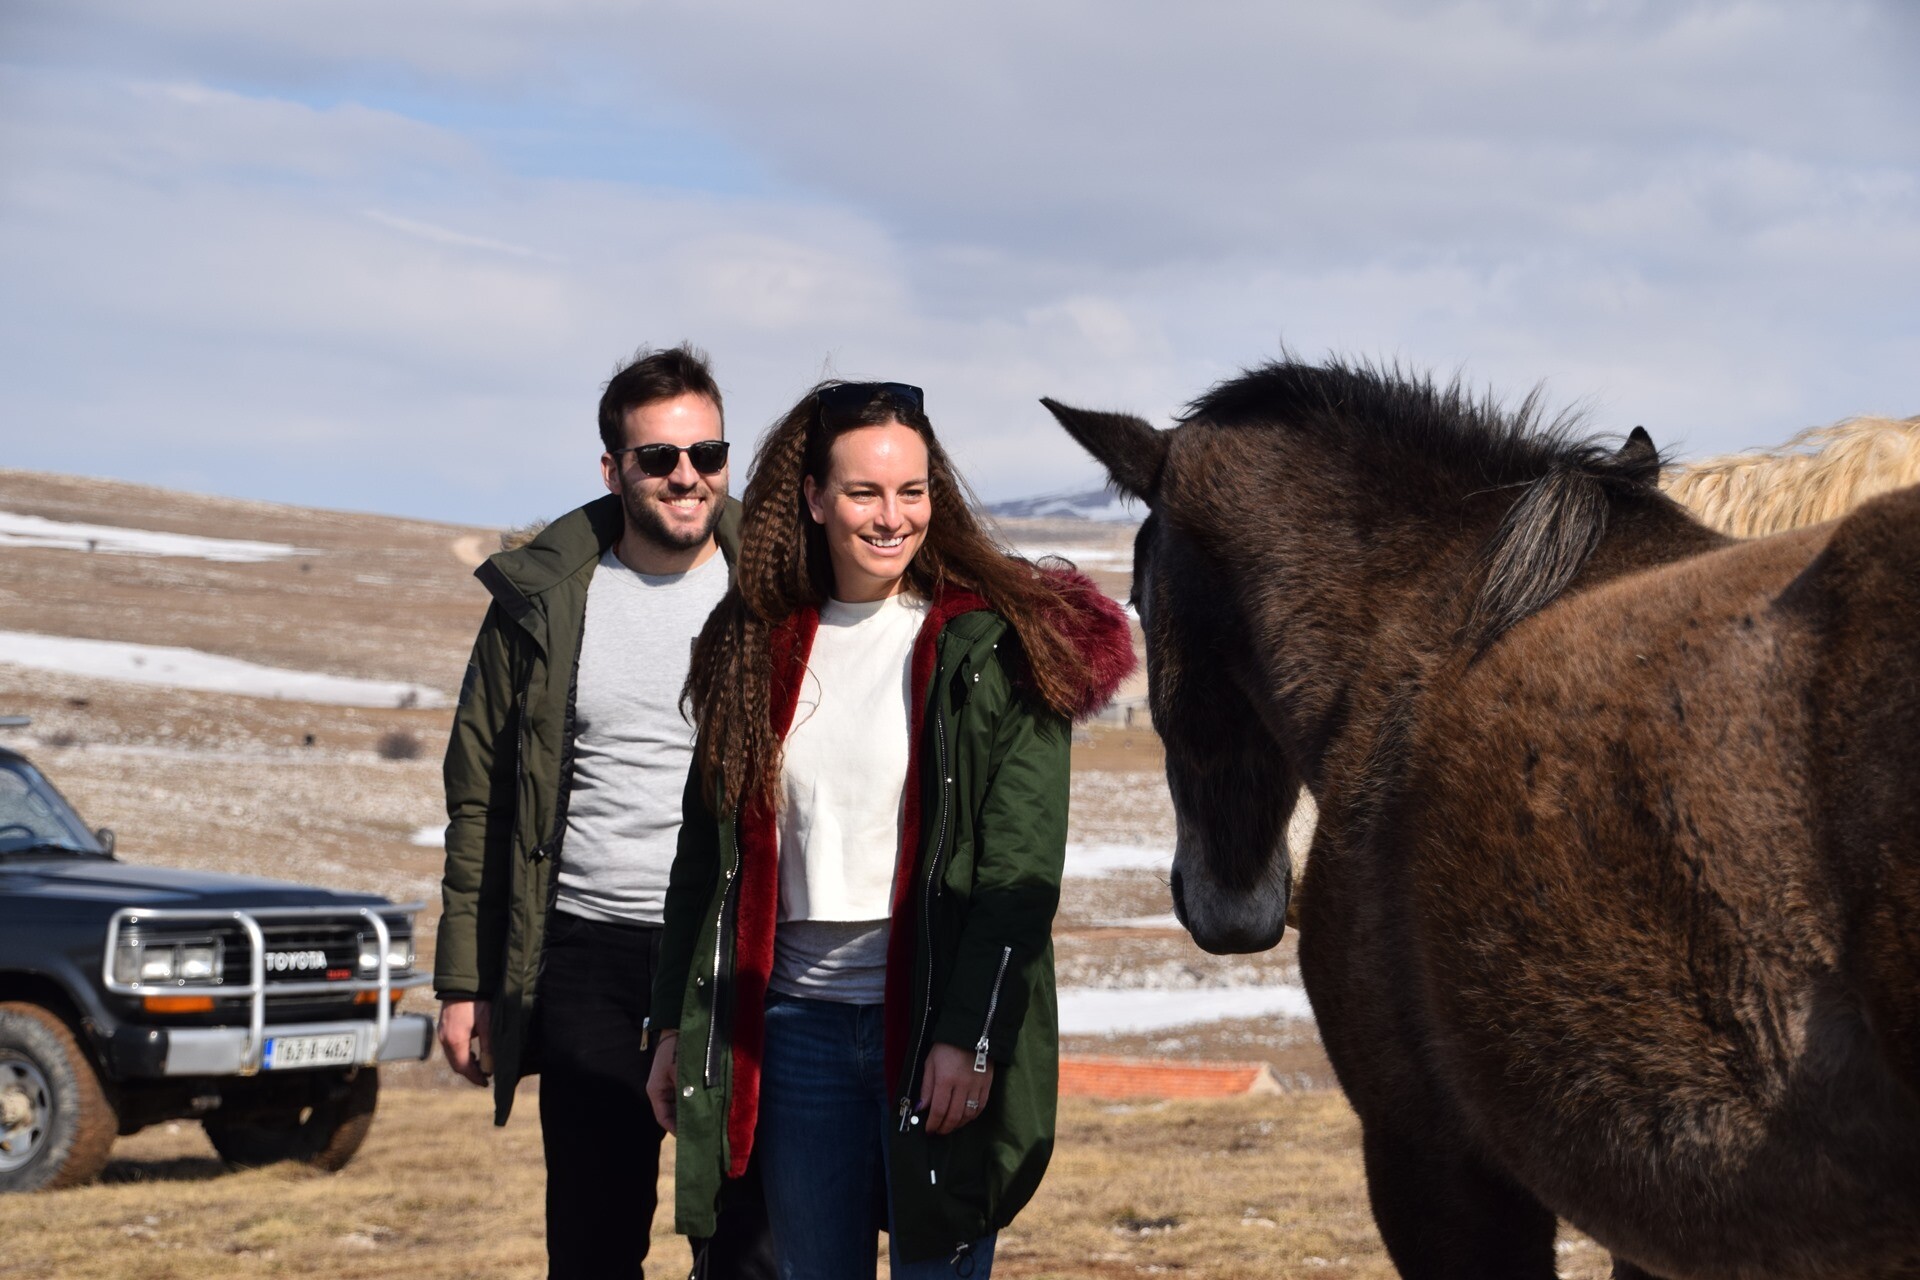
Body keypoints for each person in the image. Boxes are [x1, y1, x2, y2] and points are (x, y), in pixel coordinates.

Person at [644, 381, 1135, 1278]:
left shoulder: (993, 648)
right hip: (792, 1031)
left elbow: (1019, 876)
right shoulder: (752, 642)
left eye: (912, 491)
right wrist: (676, 1024)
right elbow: (702, 860)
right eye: (864, 492)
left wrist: (970, 1037)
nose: (891, 517)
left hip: (930, 1027)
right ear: (814, 497)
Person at [435, 344, 774, 1279]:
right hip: (591, 954)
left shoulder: (780, 588)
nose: (686, 475)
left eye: (707, 453)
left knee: (750, 1248)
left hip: (733, 952)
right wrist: (466, 979)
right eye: (658, 457)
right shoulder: (542, 601)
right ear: (612, 469)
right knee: (593, 1247)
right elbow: (482, 796)